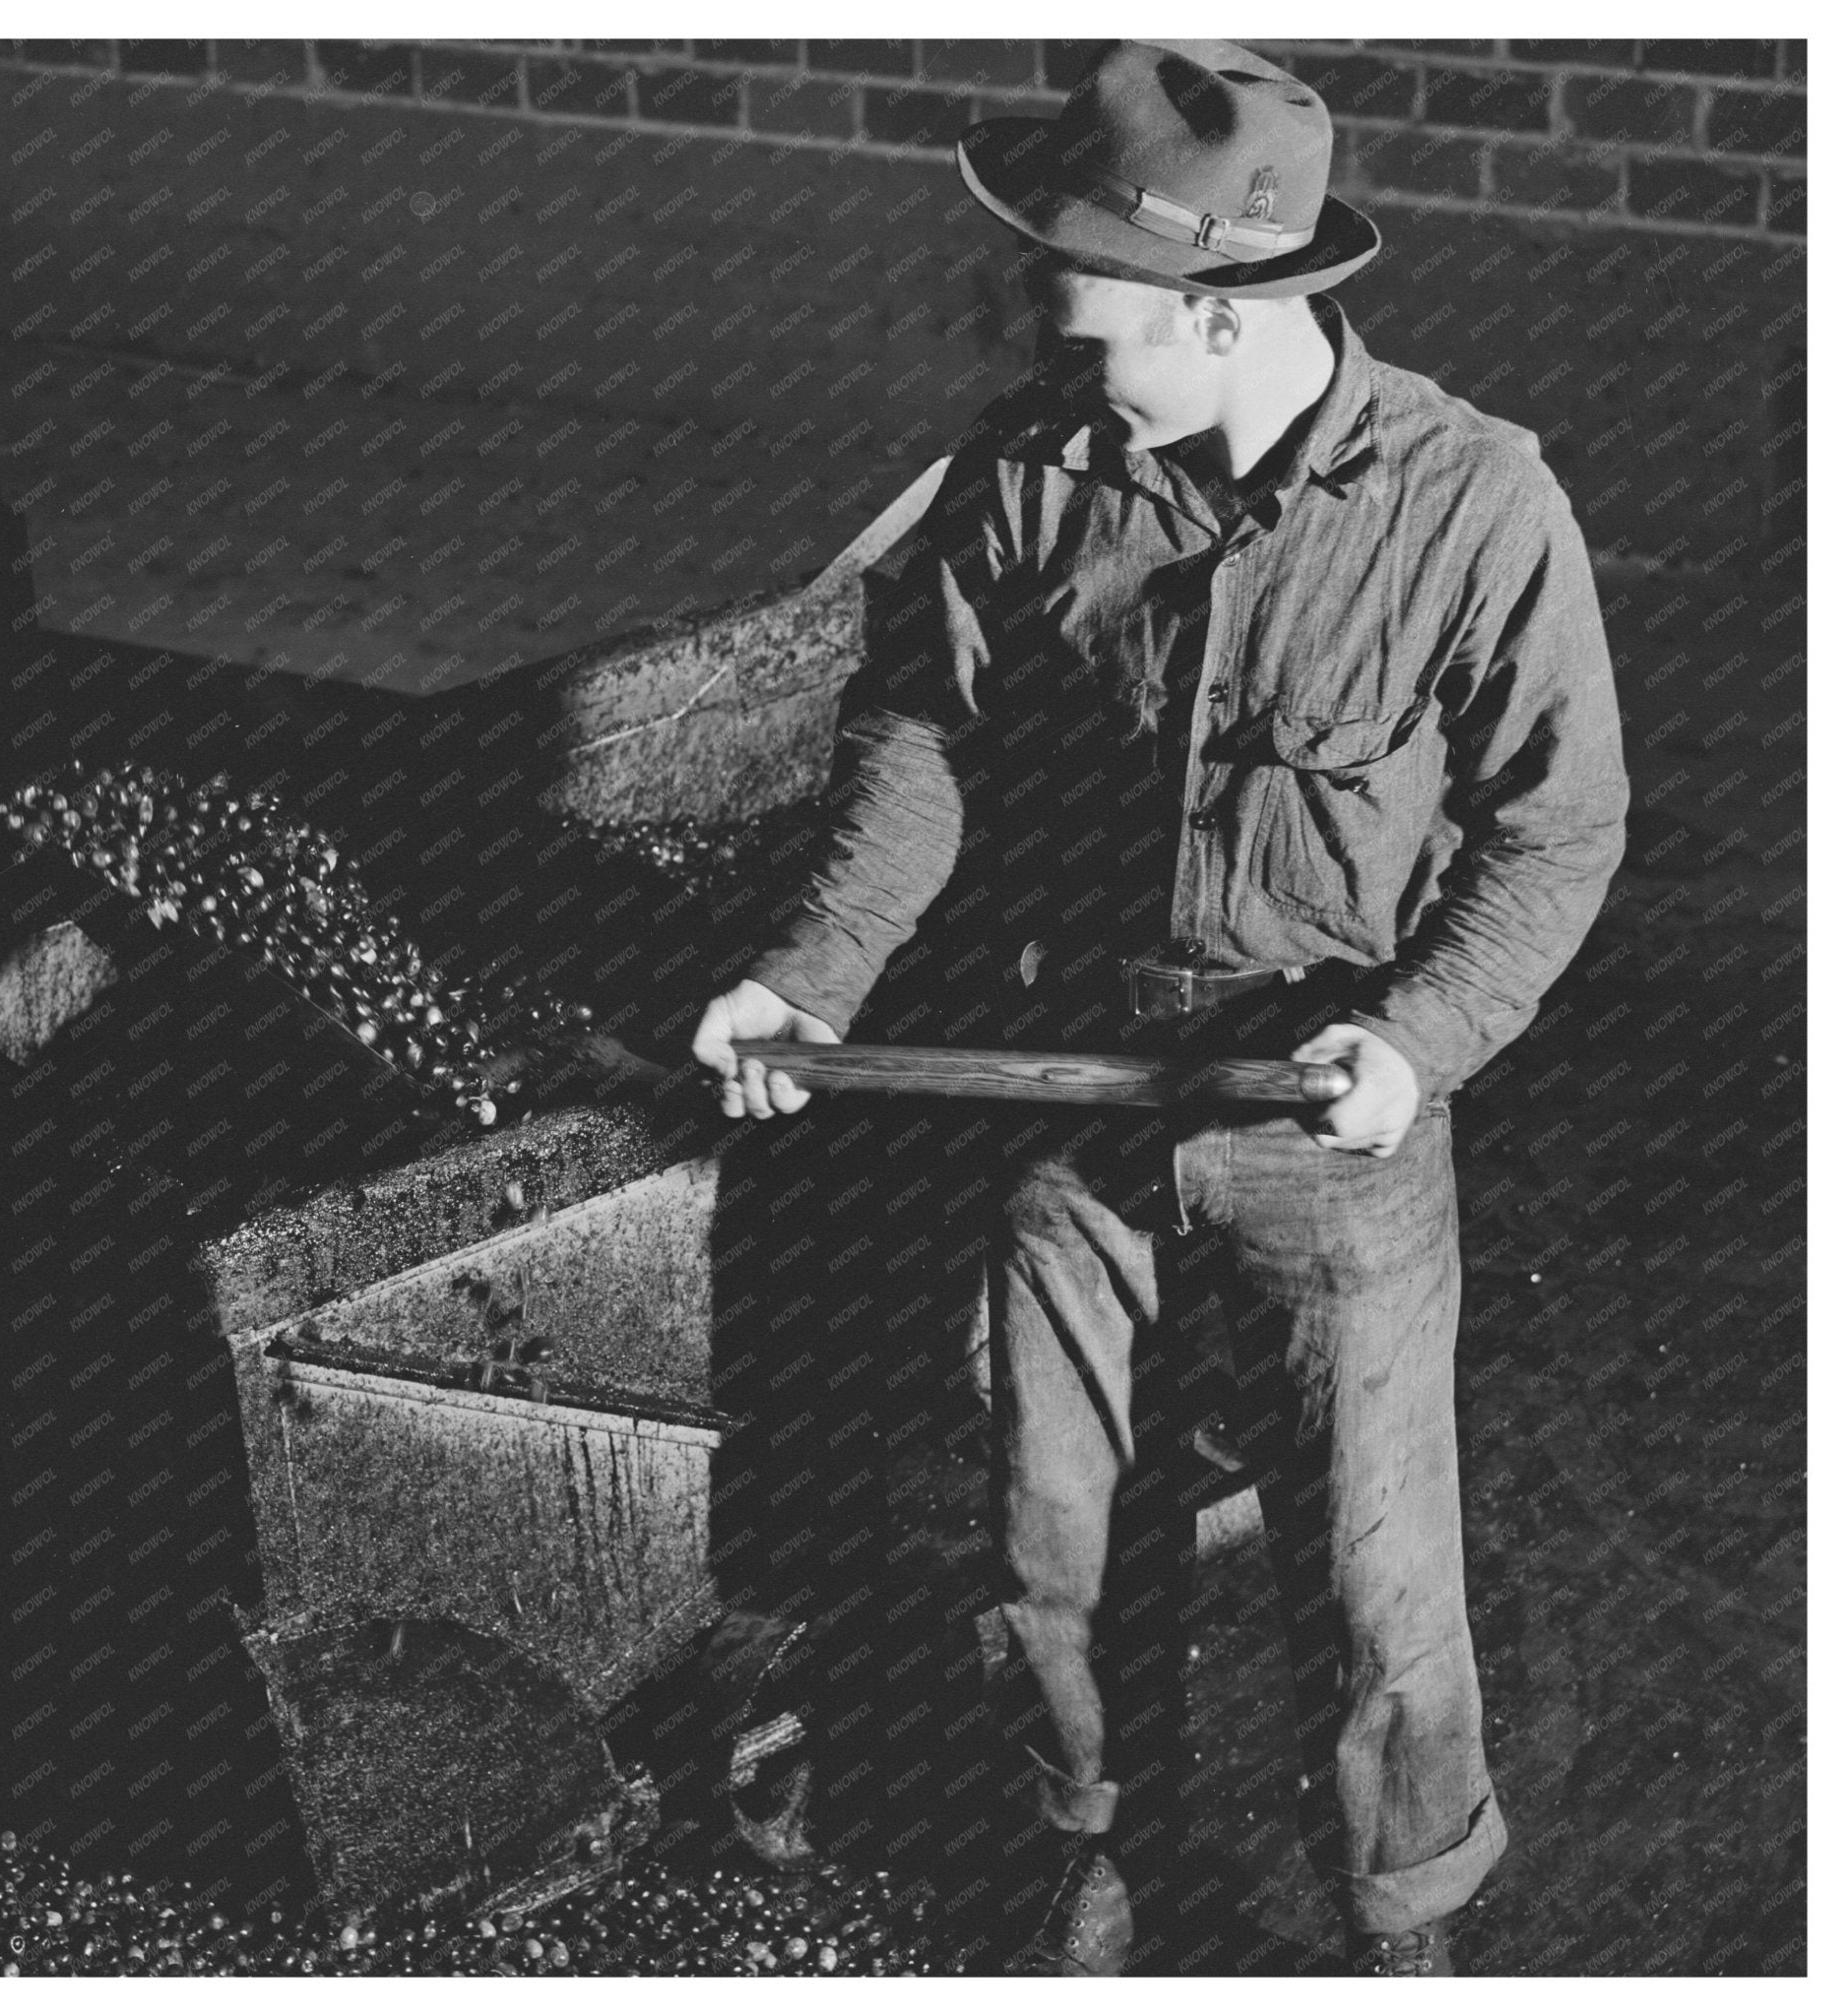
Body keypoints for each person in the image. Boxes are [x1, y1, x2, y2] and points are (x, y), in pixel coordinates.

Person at [690, 38, 1627, 1977]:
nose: (1046, 338)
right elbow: (921, 741)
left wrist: (1421, 1035)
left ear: (1217, 311)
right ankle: (1093, 1846)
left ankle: (1399, 1919)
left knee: (1375, 1577)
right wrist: (807, 972)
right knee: (1047, 1532)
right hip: (1068, 1100)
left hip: (1319, 1127)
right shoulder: (1039, 474)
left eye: (1081, 305)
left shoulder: (1468, 505)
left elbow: (1558, 828)